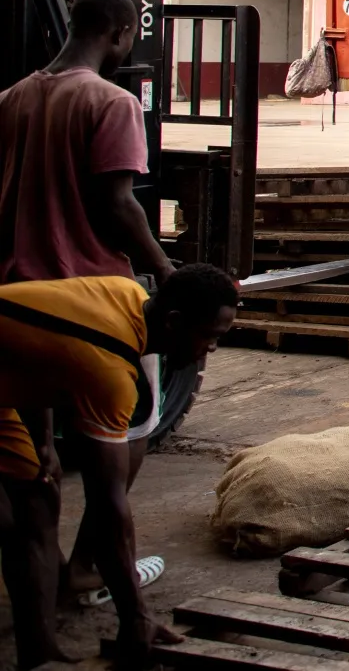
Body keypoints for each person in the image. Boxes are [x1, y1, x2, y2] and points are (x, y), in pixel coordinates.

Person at [0, 263, 239, 671]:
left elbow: (37, 345)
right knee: (18, 515)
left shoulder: (125, 294)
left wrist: (42, 440)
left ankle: (38, 653)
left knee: (37, 499)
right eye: (210, 336)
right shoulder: (110, 372)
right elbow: (109, 508)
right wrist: (136, 616)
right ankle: (37, 655)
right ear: (175, 322)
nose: (212, 349)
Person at [0, 0, 173, 285]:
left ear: (71, 27)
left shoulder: (8, 98)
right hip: (83, 286)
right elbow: (118, 203)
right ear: (119, 34)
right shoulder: (114, 102)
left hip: (12, 286)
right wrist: (164, 269)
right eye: (131, 39)